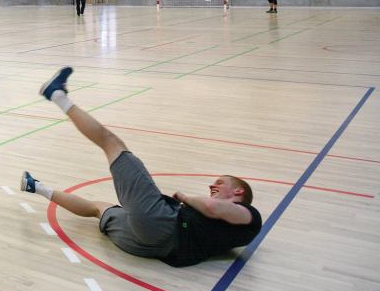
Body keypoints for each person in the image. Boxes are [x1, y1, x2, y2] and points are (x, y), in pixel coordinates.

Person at [21, 67, 262, 267]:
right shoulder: (238, 234)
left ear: (239, 191)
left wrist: (185, 198)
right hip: (152, 247)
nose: (212, 186)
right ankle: (36, 187)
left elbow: (211, 207)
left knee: (111, 143)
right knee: (98, 208)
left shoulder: (250, 216)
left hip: (162, 223)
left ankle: (57, 95)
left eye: (220, 183)